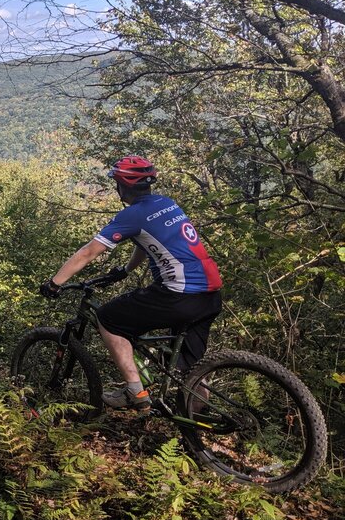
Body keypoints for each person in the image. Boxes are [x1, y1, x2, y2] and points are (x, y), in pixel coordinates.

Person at [39, 156, 222, 410]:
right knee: (190, 370)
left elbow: (89, 252)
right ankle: (198, 432)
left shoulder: (133, 214)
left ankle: (135, 393)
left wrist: (55, 283)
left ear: (122, 186)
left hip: (180, 294)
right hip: (210, 294)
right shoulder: (166, 203)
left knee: (108, 318)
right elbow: (145, 242)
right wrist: (125, 270)